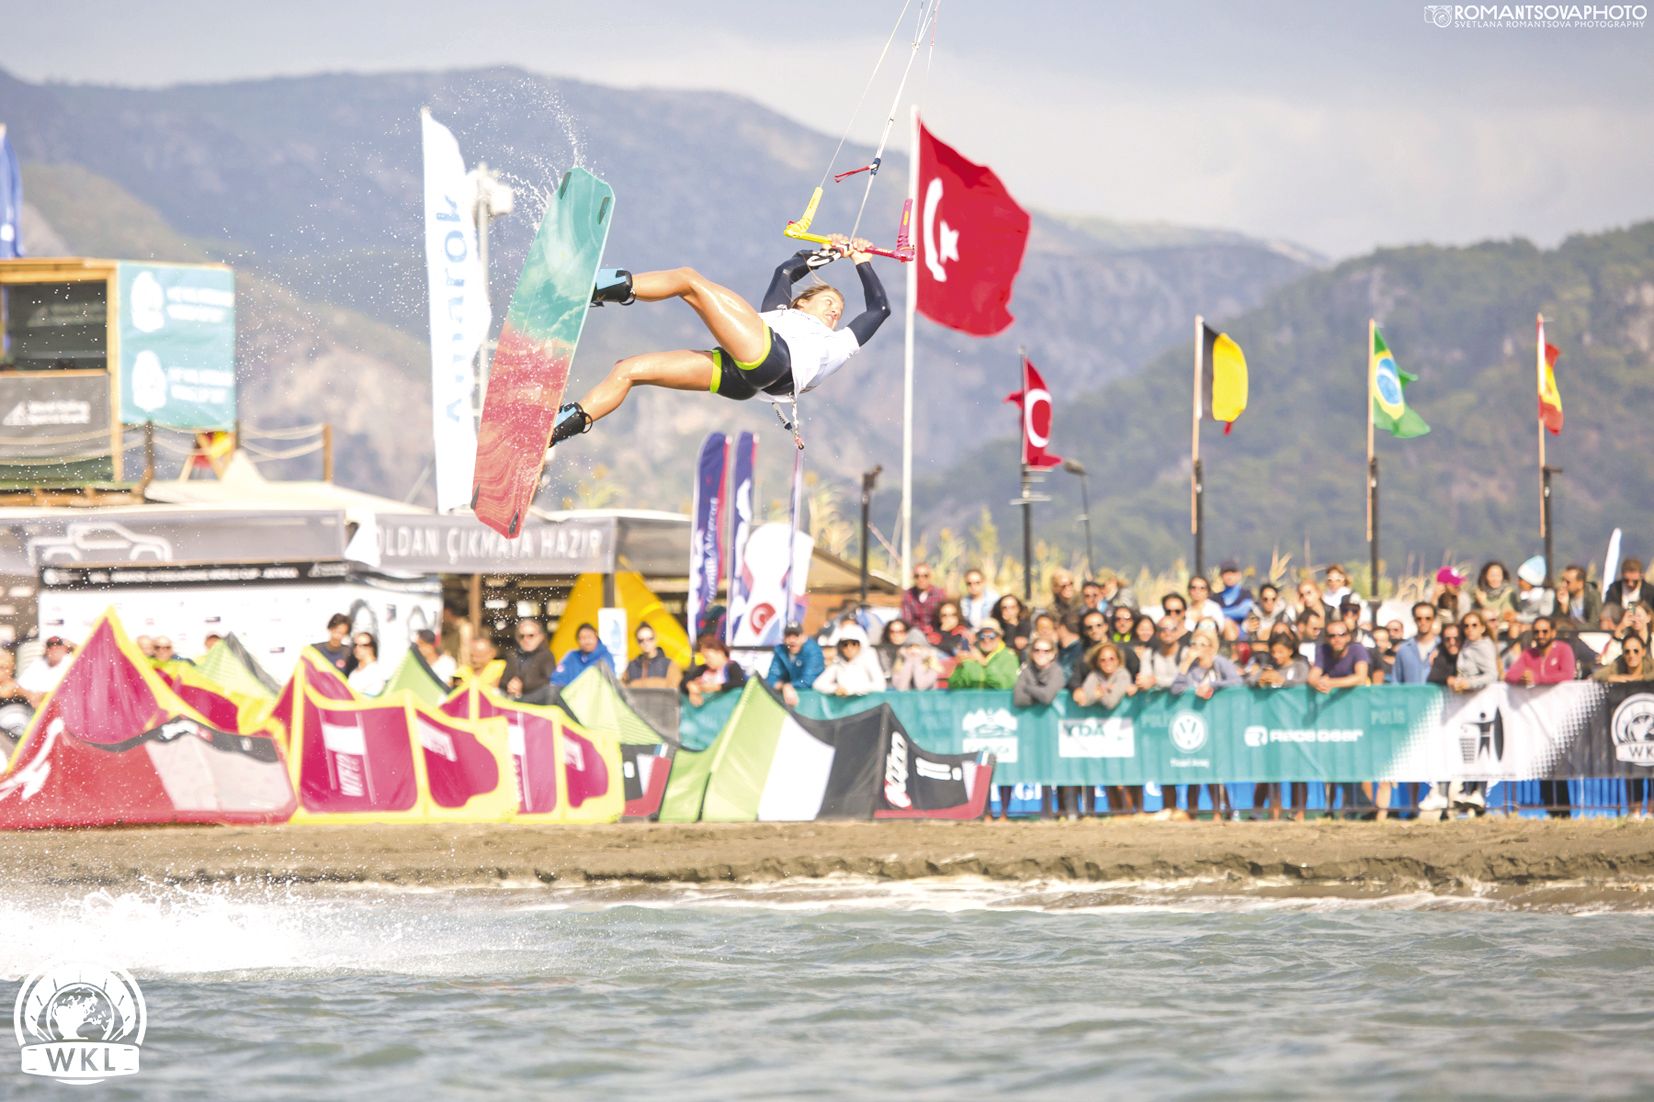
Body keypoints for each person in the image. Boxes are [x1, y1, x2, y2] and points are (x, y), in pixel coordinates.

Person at [550, 235, 890, 447]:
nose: (835, 311)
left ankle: (586, 288)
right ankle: (557, 429)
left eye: (840, 310)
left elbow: (880, 308)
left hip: (775, 362)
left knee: (687, 280)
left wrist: (862, 263)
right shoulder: (778, 313)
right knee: (628, 369)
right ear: (802, 302)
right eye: (829, 301)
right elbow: (787, 271)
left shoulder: (837, 342)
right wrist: (830, 251)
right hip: (740, 378)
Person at [1310, 615, 1375, 820]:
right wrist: (1317, 683)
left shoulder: (1357, 649)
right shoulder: (1322, 651)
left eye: (1341, 634)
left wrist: (1331, 683)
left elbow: (1360, 677)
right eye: (1332, 635)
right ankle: (1336, 808)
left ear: (1348, 636)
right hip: (1334, 717)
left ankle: (1364, 807)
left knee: (1358, 762)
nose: (1337, 639)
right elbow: (1313, 676)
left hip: (1358, 714)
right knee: (1333, 762)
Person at [1503, 616, 1575, 687]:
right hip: (1533, 698)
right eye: (1536, 632)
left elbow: (1567, 675)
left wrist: (1538, 678)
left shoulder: (1564, 649)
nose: (1540, 635)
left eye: (1545, 631)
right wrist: (1522, 679)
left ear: (1553, 633)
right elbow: (1510, 675)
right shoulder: (1528, 654)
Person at [767, 622, 825, 706]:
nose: (792, 640)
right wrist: (784, 687)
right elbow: (771, 678)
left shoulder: (813, 651)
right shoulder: (781, 651)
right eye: (788, 636)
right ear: (783, 638)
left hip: (814, 701)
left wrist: (789, 686)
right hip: (790, 699)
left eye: (796, 636)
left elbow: (809, 680)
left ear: (803, 637)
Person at [948, 623, 1018, 690]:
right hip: (973, 701)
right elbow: (954, 687)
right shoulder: (972, 656)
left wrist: (984, 664)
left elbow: (1005, 686)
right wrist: (959, 667)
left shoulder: (1008, 658)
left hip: (997, 702)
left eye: (991, 636)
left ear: (999, 637)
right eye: (982, 636)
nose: (986, 640)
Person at [683, 638, 748, 707]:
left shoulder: (731, 666)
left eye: (707, 657)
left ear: (720, 652)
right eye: (704, 657)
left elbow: (740, 683)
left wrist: (717, 687)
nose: (706, 661)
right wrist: (691, 687)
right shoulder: (703, 668)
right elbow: (684, 682)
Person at [503, 619, 557, 702]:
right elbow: (503, 682)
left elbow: (550, 682)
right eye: (521, 636)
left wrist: (522, 686)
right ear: (517, 638)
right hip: (512, 697)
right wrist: (510, 685)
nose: (526, 639)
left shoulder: (546, 656)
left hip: (534, 699)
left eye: (531, 635)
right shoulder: (513, 655)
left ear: (541, 637)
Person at [815, 634, 885, 697]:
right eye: (845, 644)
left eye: (854, 644)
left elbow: (880, 685)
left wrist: (851, 690)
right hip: (846, 710)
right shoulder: (838, 665)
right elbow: (817, 684)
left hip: (868, 708)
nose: (849, 648)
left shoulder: (869, 660)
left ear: (860, 646)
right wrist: (835, 689)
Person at [551, 623, 616, 688]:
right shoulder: (572, 656)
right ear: (578, 641)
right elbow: (557, 679)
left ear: (596, 638)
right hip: (570, 696)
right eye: (583, 638)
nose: (587, 641)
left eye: (590, 637)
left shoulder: (605, 657)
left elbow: (609, 684)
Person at [1392, 603, 1440, 685]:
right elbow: (1396, 681)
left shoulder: (1442, 647)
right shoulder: (1404, 649)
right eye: (1419, 618)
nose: (1423, 622)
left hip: (1437, 697)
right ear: (1414, 619)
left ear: (1434, 619)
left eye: (1428, 618)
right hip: (1410, 697)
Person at [18, 636, 73, 707]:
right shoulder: (39, 663)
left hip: (62, 705)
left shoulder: (71, 662)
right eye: (51, 647)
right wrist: (30, 695)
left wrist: (42, 696)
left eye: (58, 647)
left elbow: (69, 691)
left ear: (64, 649)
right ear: (46, 650)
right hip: (37, 705)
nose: (54, 649)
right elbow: (20, 685)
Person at [623, 624, 681, 690]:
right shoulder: (631, 665)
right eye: (641, 640)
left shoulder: (669, 664)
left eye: (650, 639)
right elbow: (622, 688)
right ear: (637, 642)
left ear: (656, 639)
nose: (645, 643)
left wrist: (635, 684)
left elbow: (674, 688)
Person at [901, 564, 948, 644]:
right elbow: (907, 621)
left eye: (925, 576)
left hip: (938, 636)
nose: (921, 579)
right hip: (916, 636)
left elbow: (945, 618)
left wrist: (934, 632)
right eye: (917, 576)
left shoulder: (940, 594)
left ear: (930, 577)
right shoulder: (908, 595)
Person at [1558, 564, 1603, 630]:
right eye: (1562, 580)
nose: (1563, 585)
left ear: (1580, 584)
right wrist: (1564, 607)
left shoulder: (1593, 596)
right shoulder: (1562, 595)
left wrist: (1572, 628)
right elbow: (1557, 624)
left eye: (1568, 582)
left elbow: (1595, 624)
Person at [1215, 561, 1256, 630]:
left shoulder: (1247, 594)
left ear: (1239, 575)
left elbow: (1243, 611)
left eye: (1233, 573)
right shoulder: (1215, 598)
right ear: (1221, 576)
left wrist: (1218, 612)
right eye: (1226, 573)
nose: (1229, 576)